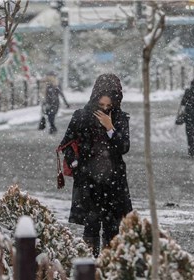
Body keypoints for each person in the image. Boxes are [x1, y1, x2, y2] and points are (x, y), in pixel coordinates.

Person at [59, 73, 132, 257]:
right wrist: (76, 165)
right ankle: (89, 268)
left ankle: (108, 267)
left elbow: (123, 147)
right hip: (88, 181)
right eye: (101, 106)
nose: (106, 109)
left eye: (109, 106)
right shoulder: (81, 116)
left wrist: (110, 128)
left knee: (112, 229)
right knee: (90, 228)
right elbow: (66, 144)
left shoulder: (120, 118)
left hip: (113, 182)